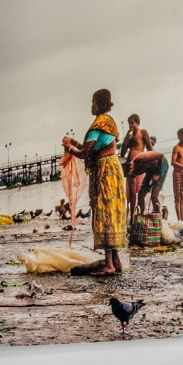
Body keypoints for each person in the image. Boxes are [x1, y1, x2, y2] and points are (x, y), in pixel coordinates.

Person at [69, 89, 129, 275]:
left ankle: (109, 264)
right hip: (113, 167)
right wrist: (75, 143)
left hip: (105, 171)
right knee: (112, 210)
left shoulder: (98, 124)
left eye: (93, 102)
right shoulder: (109, 123)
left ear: (99, 104)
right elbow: (92, 148)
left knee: (104, 213)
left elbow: (86, 153)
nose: (91, 106)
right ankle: (116, 260)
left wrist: (70, 148)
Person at [125, 114, 167, 215]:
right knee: (140, 195)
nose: (130, 126)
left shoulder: (140, 158)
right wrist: (126, 136)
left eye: (132, 123)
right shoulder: (134, 168)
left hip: (160, 165)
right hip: (148, 169)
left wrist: (156, 174)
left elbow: (160, 156)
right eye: (129, 124)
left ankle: (157, 219)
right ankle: (139, 218)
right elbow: (123, 152)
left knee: (154, 196)